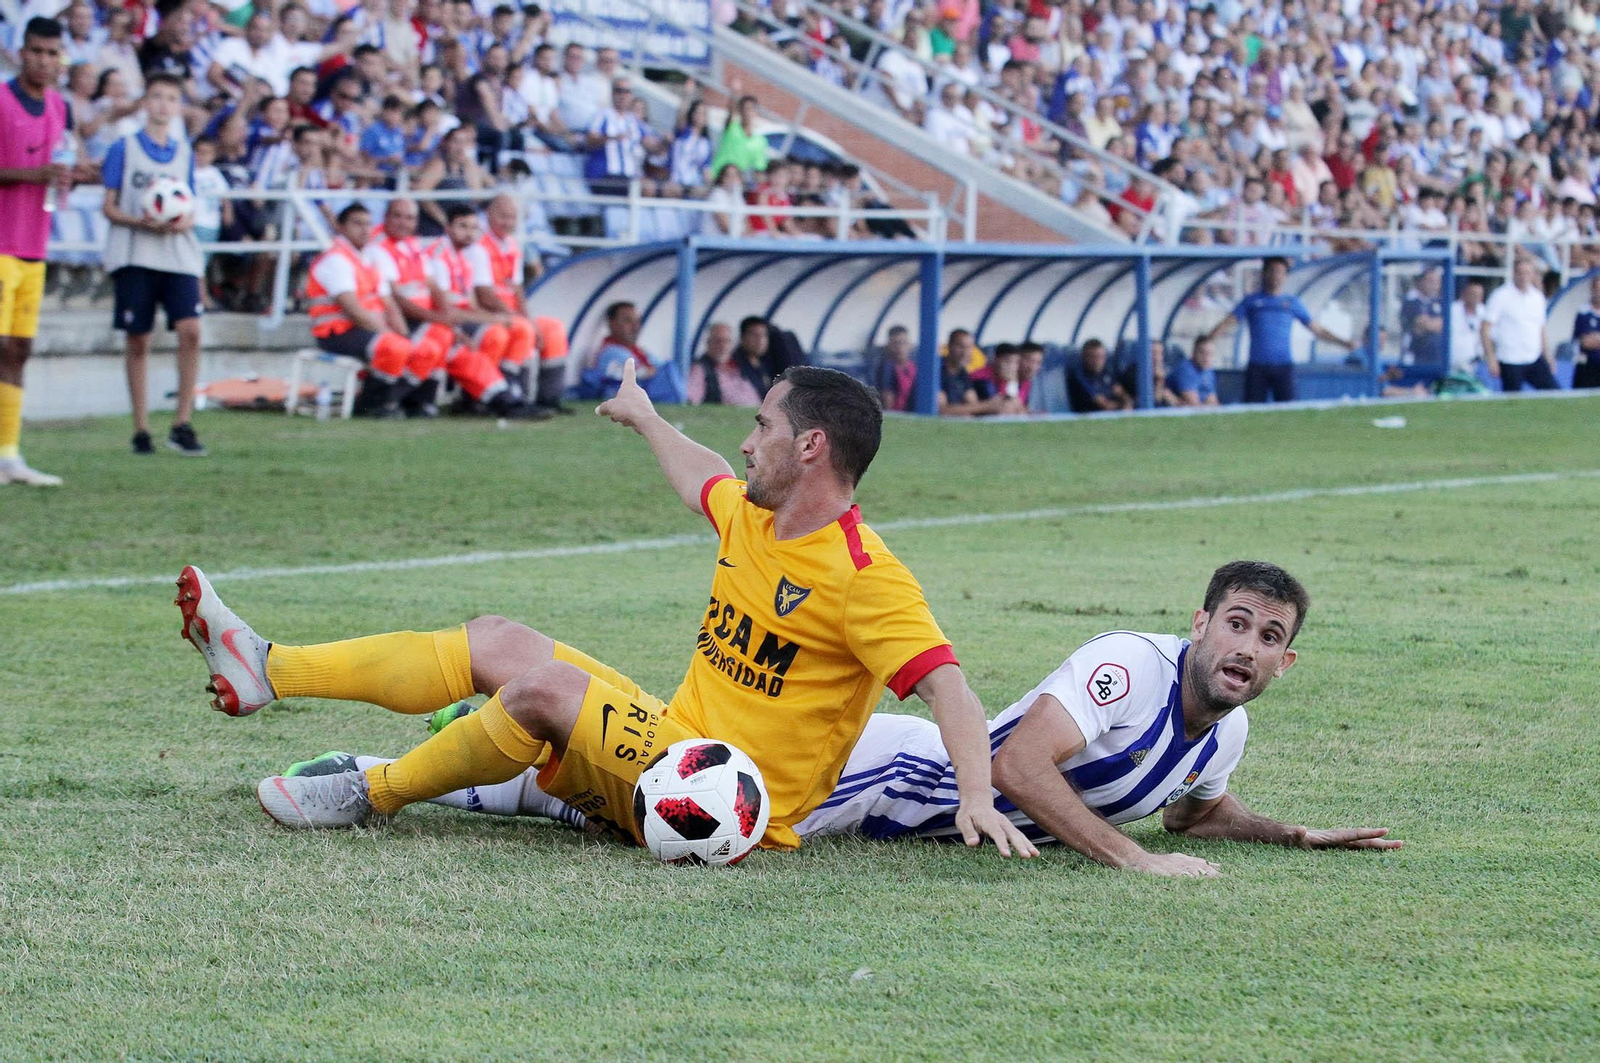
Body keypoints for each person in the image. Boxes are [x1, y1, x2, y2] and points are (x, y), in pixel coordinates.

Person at [175, 363, 1035, 860]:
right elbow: (700, 467)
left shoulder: (863, 575)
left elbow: (949, 688)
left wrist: (976, 795)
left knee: (545, 688)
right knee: (500, 638)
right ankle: (269, 669)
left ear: (810, 445)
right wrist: (645, 417)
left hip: (726, 802)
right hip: (674, 736)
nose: (745, 439)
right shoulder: (754, 513)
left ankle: (375, 793)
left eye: (761, 423)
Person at [287, 561, 1400, 877]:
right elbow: (1016, 764)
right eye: (1235, 624)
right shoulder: (1124, 666)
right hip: (869, 773)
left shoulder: (1228, 729)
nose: (1246, 649)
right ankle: (386, 772)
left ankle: (460, 747)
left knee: (596, 752)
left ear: (1284, 659)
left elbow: (1195, 815)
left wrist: (1296, 836)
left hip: (875, 790)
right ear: (1198, 621)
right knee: (636, 796)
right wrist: (1129, 865)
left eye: (1268, 638)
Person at [100, 72, 206, 457]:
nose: (163, 104)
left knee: (191, 329)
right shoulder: (124, 148)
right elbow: (109, 205)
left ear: (179, 106)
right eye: (157, 96)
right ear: (145, 102)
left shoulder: (184, 153)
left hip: (177, 252)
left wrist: (183, 220)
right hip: (136, 251)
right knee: (139, 337)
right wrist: (139, 220)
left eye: (171, 98)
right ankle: (141, 428)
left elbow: (190, 203)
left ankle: (182, 421)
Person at [0, 18, 76, 486]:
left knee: (20, 350)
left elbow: (54, 168)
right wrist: (36, 175)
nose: (44, 61)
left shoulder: (58, 107)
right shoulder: (2, 100)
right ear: (20, 52)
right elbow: (33, 170)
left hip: (35, 245)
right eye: (37, 51)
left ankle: (8, 454)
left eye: (53, 53)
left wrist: (73, 174)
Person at [303, 203, 451, 418]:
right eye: (357, 223)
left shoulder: (367, 259)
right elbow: (353, 310)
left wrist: (403, 334)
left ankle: (396, 401)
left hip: (366, 329)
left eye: (367, 224)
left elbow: (388, 303)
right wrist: (391, 334)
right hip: (337, 332)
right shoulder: (336, 259)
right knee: (395, 347)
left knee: (427, 349)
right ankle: (372, 404)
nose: (364, 229)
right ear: (341, 227)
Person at [424, 203, 545, 417]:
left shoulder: (463, 255)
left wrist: (496, 317)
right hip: (439, 323)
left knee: (515, 329)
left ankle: (507, 390)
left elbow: (470, 303)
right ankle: (483, 398)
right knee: (496, 333)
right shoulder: (438, 255)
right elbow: (447, 311)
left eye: (473, 228)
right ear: (448, 228)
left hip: (460, 319)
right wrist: (495, 318)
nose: (469, 233)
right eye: (463, 226)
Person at [466, 193, 570, 414]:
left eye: (513, 217)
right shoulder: (478, 246)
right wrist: (521, 319)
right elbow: (484, 294)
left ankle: (548, 398)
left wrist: (529, 319)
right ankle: (512, 395)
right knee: (522, 329)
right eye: (503, 216)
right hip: (487, 315)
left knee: (553, 329)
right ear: (489, 214)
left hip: (509, 313)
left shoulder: (513, 245)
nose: (509, 222)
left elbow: (517, 291)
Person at [1204, 256, 1355, 404]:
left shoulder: (1291, 303)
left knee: (1287, 411)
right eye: (1272, 271)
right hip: (1258, 367)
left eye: (1279, 272)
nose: (1275, 276)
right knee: (1253, 412)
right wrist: (1207, 341)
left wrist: (1343, 342)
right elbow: (1228, 322)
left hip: (1283, 366)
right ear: (1264, 273)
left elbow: (1317, 329)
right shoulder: (1252, 301)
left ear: (1285, 276)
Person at [583, 301, 686, 404]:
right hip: (632, 397)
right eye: (627, 321)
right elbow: (638, 373)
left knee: (670, 367)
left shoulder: (639, 351)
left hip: (645, 395)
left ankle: (681, 399)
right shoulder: (609, 352)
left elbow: (660, 367)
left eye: (637, 321)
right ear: (612, 323)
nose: (635, 327)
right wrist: (650, 372)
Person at [1481, 257, 1556, 392]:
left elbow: (1541, 329)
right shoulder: (1501, 296)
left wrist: (1548, 356)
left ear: (1533, 275)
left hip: (1533, 357)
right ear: (1514, 273)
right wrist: (1491, 358)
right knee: (1512, 401)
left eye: (1527, 273)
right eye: (1520, 272)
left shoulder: (1537, 297)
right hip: (1510, 359)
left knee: (1554, 394)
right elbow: (1485, 328)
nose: (1524, 276)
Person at [687, 321, 764, 406]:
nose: (723, 346)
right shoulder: (700, 369)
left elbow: (754, 399)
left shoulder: (738, 367)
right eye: (718, 341)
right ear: (708, 342)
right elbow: (691, 400)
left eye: (727, 341)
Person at [1067, 338, 1132, 413]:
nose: (1098, 361)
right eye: (1093, 357)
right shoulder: (1079, 376)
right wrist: (1123, 407)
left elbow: (1120, 392)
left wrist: (1127, 402)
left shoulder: (1106, 372)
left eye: (1101, 356)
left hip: (1109, 415)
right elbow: (1105, 405)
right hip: (1089, 417)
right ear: (1084, 357)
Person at [1163, 337, 1220, 407]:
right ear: (1194, 353)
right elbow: (1193, 405)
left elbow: (1213, 401)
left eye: (1210, 354)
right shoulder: (1185, 370)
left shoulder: (1209, 371)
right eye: (1202, 353)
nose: (1206, 358)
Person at [875, 324, 916, 412]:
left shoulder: (916, 367)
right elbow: (887, 400)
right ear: (888, 346)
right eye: (895, 343)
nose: (900, 348)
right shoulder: (885, 369)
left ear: (910, 345)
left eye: (903, 343)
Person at [1450, 281, 1488, 371]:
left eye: (1479, 295)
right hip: (1454, 360)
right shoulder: (1453, 309)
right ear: (1465, 294)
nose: (1476, 298)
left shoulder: (1484, 311)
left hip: (1477, 362)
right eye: (1473, 294)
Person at [1572, 275, 1600, 391]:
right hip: (1588, 367)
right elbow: (1586, 342)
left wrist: (1596, 338)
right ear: (1592, 290)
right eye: (1597, 288)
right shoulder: (1583, 313)